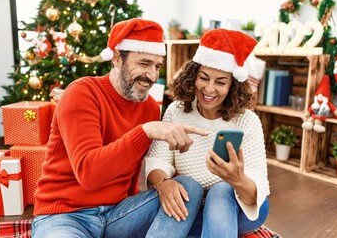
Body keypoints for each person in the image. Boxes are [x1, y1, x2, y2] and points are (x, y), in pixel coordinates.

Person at [32, 18, 209, 238]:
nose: (152, 76)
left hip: (119, 214)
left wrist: (165, 182)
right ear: (117, 58)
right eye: (144, 64)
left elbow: (134, 175)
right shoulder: (82, 93)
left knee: (187, 189)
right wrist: (145, 132)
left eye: (157, 66)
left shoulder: (150, 108)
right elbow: (89, 174)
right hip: (66, 215)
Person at [145, 28, 270, 238]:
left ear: (232, 86)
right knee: (189, 187)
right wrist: (163, 183)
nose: (209, 89)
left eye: (220, 82)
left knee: (221, 191)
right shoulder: (177, 111)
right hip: (193, 206)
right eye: (203, 78)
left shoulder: (247, 121)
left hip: (244, 207)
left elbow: (257, 192)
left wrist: (237, 179)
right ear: (193, 76)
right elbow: (157, 160)